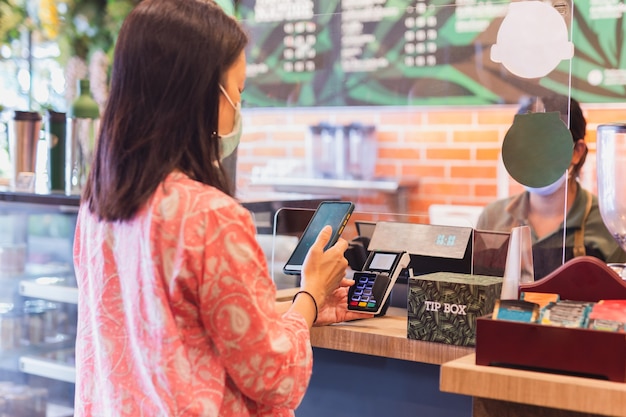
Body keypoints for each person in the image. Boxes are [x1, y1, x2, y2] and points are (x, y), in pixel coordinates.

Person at [72, 0, 371, 415]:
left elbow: (178, 327)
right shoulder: (211, 217)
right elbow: (276, 376)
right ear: (202, 93)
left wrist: (298, 309)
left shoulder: (98, 207)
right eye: (239, 90)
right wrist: (312, 294)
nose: (238, 106)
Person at [476, 94, 626, 279]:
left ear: (577, 152)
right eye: (527, 145)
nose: (536, 156)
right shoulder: (493, 220)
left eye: (548, 144)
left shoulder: (612, 224)